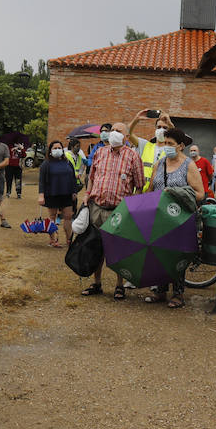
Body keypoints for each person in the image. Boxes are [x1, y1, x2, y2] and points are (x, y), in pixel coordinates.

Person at [80, 121, 144, 299]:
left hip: (119, 211)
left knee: (118, 250)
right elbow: (91, 177)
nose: (113, 133)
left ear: (126, 136)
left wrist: (133, 207)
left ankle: (119, 285)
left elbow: (140, 186)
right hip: (97, 208)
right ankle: (97, 283)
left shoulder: (132, 156)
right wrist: (87, 194)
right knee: (96, 247)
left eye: (118, 131)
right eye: (112, 130)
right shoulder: (100, 152)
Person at [144, 127, 205, 307]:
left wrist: (176, 192)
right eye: (165, 143)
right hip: (159, 217)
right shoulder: (160, 164)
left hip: (180, 219)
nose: (166, 147)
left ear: (180, 146)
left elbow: (200, 193)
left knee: (177, 255)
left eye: (170, 144)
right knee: (159, 253)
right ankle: (160, 291)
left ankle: (178, 294)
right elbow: (151, 189)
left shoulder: (189, 165)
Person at [37, 140, 80, 248]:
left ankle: (69, 240)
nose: (57, 150)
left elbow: (72, 178)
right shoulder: (46, 164)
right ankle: (53, 240)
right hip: (51, 193)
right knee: (52, 217)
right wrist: (41, 195)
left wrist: (74, 191)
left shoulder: (67, 162)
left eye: (59, 148)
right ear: (50, 151)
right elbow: (41, 181)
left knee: (68, 216)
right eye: (54, 148)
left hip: (66, 194)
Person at [126, 108, 175, 186]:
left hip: (160, 192)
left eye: (165, 128)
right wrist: (136, 119)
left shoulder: (172, 149)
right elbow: (127, 133)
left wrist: (170, 124)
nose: (161, 130)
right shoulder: (145, 145)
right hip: (141, 191)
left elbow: (178, 138)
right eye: (158, 127)